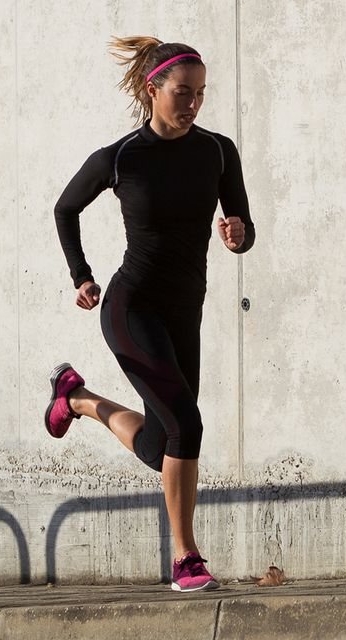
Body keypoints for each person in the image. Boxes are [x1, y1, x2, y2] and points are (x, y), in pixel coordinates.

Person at [46, 36, 255, 592]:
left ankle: (76, 398)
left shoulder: (217, 151)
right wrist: (81, 276)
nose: (193, 104)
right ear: (153, 88)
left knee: (166, 440)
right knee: (187, 425)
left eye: (201, 94)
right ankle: (186, 557)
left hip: (186, 310)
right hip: (130, 308)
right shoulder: (120, 157)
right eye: (183, 92)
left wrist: (239, 234)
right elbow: (66, 208)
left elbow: (242, 221)